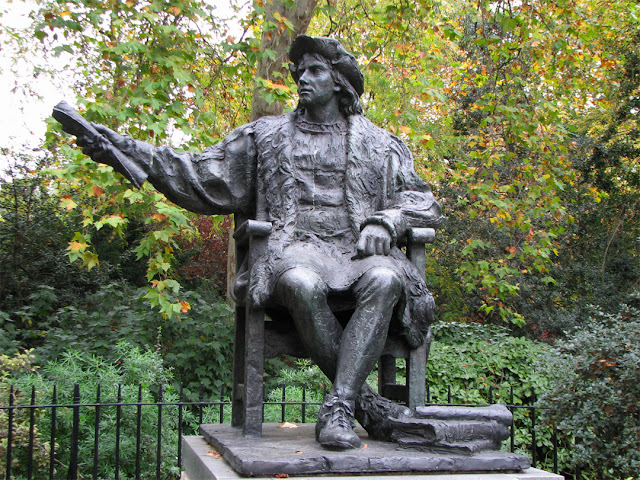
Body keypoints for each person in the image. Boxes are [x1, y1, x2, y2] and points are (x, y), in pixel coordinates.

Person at [75, 35, 443, 450]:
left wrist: (387, 220)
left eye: (315, 70)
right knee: (301, 284)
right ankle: (360, 406)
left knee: (386, 279)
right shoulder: (265, 137)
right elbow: (198, 171)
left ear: (339, 81)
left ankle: (341, 404)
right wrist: (122, 150)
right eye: (299, 70)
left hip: (356, 249)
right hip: (292, 246)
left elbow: (423, 199)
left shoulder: (380, 143)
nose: (303, 78)